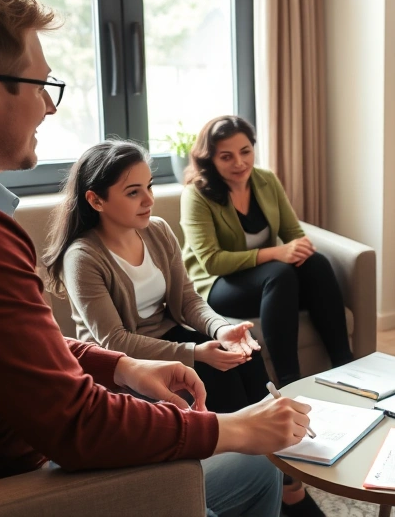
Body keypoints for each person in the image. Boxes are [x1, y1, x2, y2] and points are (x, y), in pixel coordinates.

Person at [0, 0, 311, 516]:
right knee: (246, 461)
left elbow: (13, 347)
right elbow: (78, 425)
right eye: (42, 84)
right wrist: (228, 429)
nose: (49, 106)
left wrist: (121, 367)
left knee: (256, 469)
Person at [43, 140, 270, 414]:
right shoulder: (82, 258)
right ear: (96, 200)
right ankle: (238, 446)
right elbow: (115, 341)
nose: (149, 200)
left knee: (247, 355)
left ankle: (274, 437)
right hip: (123, 361)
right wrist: (195, 353)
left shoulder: (158, 231)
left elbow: (188, 299)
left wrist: (220, 329)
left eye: (149, 186)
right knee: (215, 374)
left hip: (166, 336)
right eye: (133, 192)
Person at [180, 115, 354, 387]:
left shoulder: (265, 180)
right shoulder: (197, 194)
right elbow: (212, 262)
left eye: (245, 151)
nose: (239, 163)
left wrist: (300, 248)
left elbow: (293, 233)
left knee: (316, 263)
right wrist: (275, 254)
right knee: (279, 273)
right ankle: (289, 383)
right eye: (226, 157)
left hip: (264, 280)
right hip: (215, 284)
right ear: (210, 159)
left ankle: (347, 367)